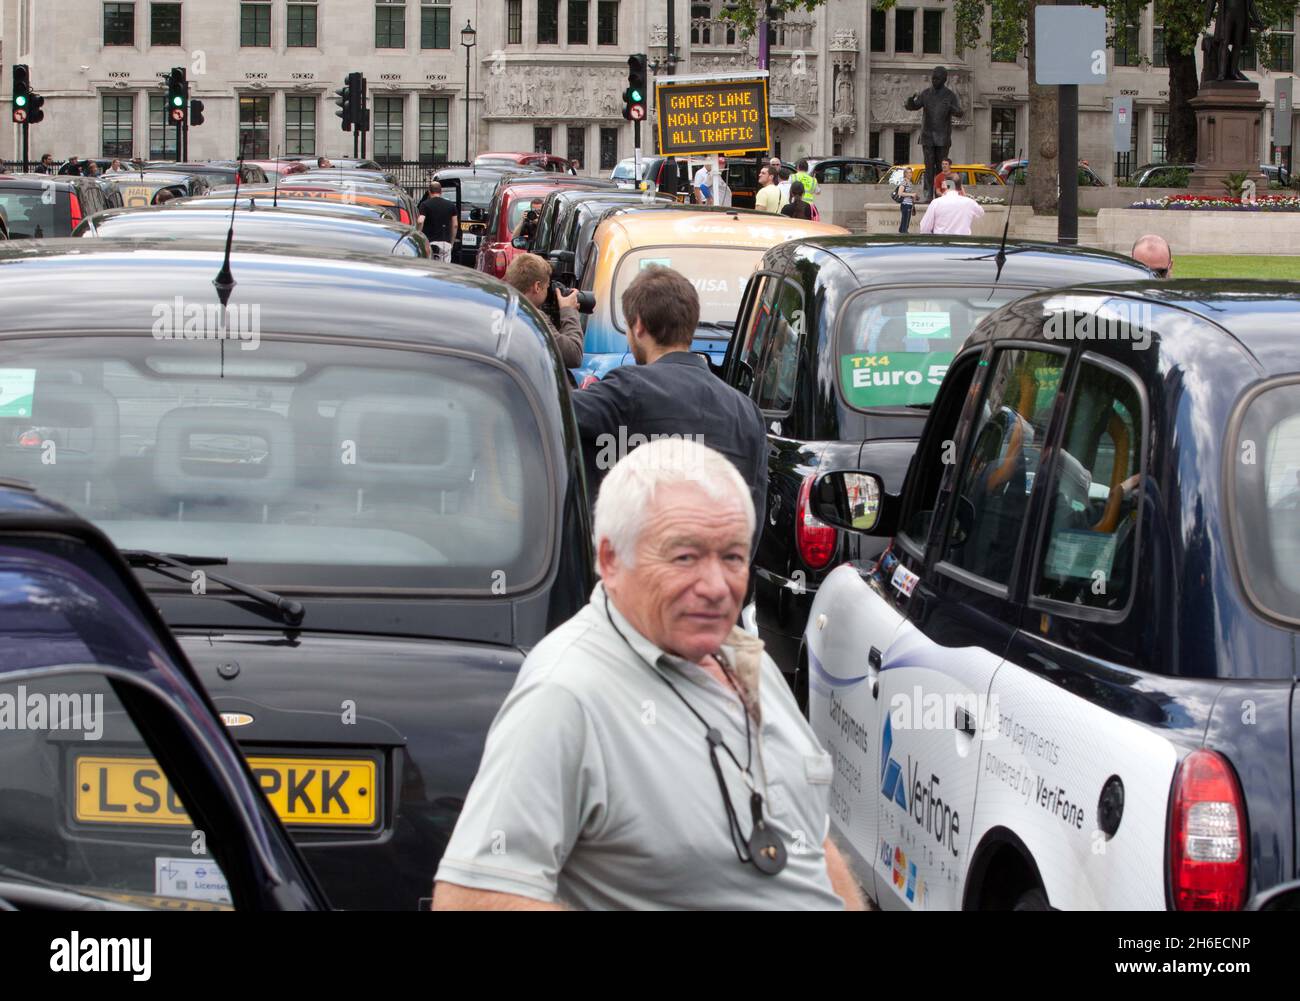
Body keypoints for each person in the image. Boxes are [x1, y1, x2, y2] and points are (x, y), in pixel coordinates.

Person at [432, 436, 864, 911]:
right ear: (611, 559)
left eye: (733, 557)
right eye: (685, 557)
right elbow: (472, 897)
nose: (717, 587)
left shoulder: (745, 660)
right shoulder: (566, 692)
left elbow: (811, 845)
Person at [569, 266, 768, 553]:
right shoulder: (747, 412)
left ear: (638, 326)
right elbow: (753, 518)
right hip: (716, 589)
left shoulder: (626, 391)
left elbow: (552, 413)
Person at [503, 252, 584, 369]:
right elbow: (573, 355)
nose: (548, 292)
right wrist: (568, 311)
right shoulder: (532, 318)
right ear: (537, 287)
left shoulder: (501, 308)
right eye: (547, 287)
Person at [919, 177, 984, 235]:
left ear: (947, 185)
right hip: (963, 243)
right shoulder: (969, 202)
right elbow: (981, 212)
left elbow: (924, 227)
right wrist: (964, 195)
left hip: (942, 243)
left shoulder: (936, 202)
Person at [416, 180, 459, 262]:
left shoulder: (425, 205)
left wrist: (418, 236)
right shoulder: (451, 205)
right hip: (445, 243)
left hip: (430, 243)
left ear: (429, 191)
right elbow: (455, 225)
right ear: (441, 191)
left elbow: (420, 221)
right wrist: (452, 242)